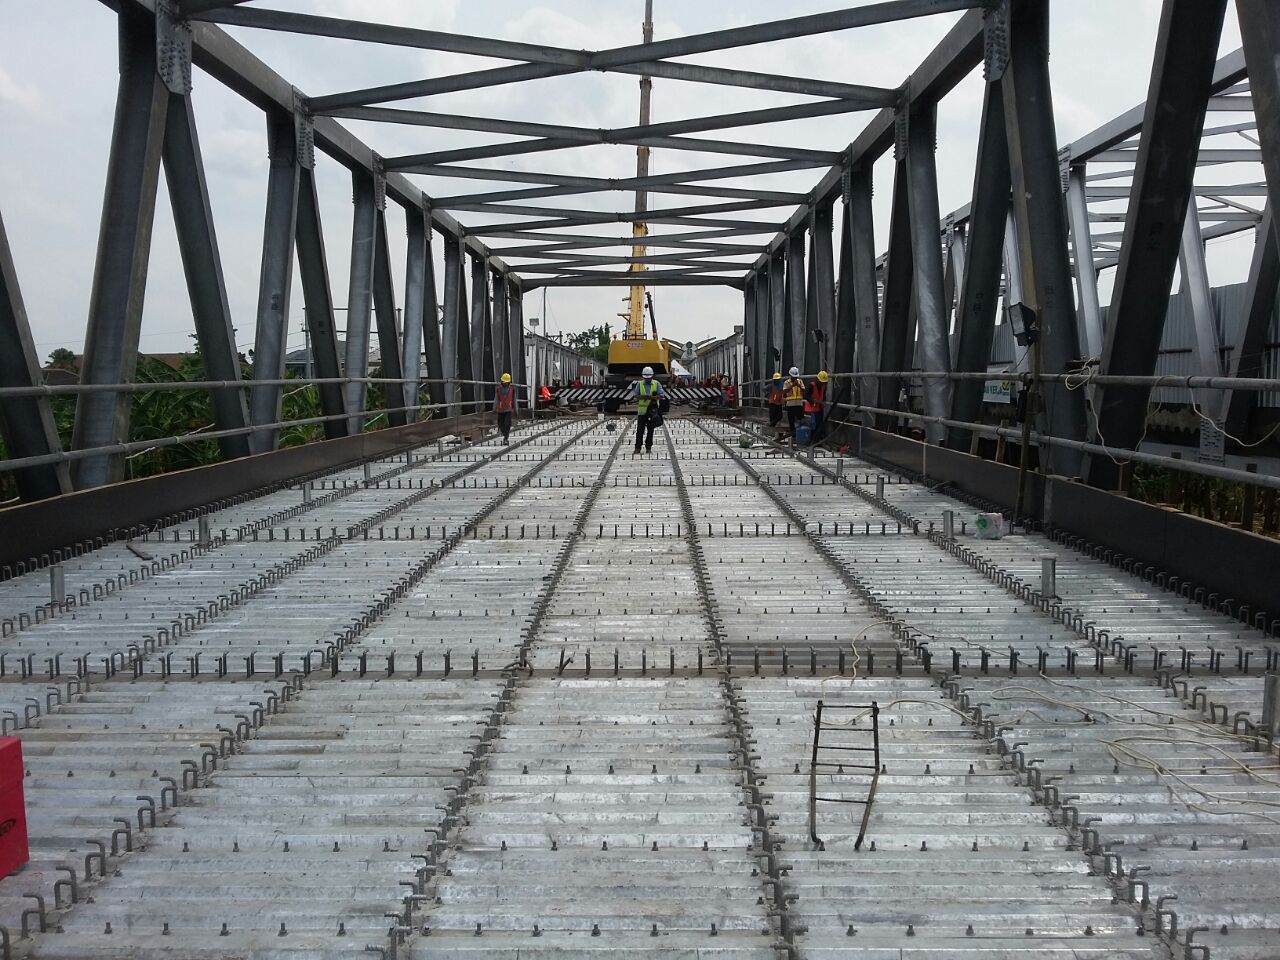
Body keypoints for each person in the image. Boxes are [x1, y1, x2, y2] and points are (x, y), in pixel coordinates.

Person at [631, 365, 667, 454]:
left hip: (652, 412)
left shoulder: (656, 384)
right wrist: (644, 397)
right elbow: (636, 396)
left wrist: (652, 397)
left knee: (650, 430)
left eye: (649, 378)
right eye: (646, 378)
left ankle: (648, 448)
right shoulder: (640, 384)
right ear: (643, 376)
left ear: (652, 376)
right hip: (642, 412)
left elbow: (662, 395)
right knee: (640, 430)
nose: (647, 379)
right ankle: (637, 448)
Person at [805, 370, 829, 445]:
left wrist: (823, 401)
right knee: (813, 425)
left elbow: (822, 395)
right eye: (822, 382)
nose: (823, 383)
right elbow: (806, 396)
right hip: (811, 408)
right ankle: (812, 440)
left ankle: (817, 440)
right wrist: (814, 401)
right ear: (818, 380)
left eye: (824, 382)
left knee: (819, 424)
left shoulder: (824, 386)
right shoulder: (811, 385)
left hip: (819, 408)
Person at [782, 366, 805, 441]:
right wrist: (792, 385)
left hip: (799, 404)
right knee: (791, 421)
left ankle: (800, 435)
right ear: (790, 375)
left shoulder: (800, 381)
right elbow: (784, 392)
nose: (795, 378)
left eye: (796, 377)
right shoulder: (786, 382)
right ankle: (794, 436)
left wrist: (798, 385)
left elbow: (804, 391)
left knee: (801, 420)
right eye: (793, 377)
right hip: (790, 405)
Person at [494, 372, 516, 443]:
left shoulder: (512, 390)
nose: (504, 383)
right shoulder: (498, 390)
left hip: (508, 409)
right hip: (500, 409)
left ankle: (506, 438)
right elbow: (496, 399)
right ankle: (504, 434)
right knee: (500, 424)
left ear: (509, 382)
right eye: (503, 382)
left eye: (506, 382)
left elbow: (514, 400)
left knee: (507, 424)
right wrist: (494, 408)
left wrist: (516, 409)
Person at [766, 372, 785, 437]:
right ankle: (772, 430)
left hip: (778, 403)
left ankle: (771, 426)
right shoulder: (771, 386)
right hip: (772, 402)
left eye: (778, 380)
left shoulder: (781, 385)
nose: (777, 381)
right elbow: (764, 389)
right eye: (776, 380)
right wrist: (768, 394)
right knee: (772, 415)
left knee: (779, 416)